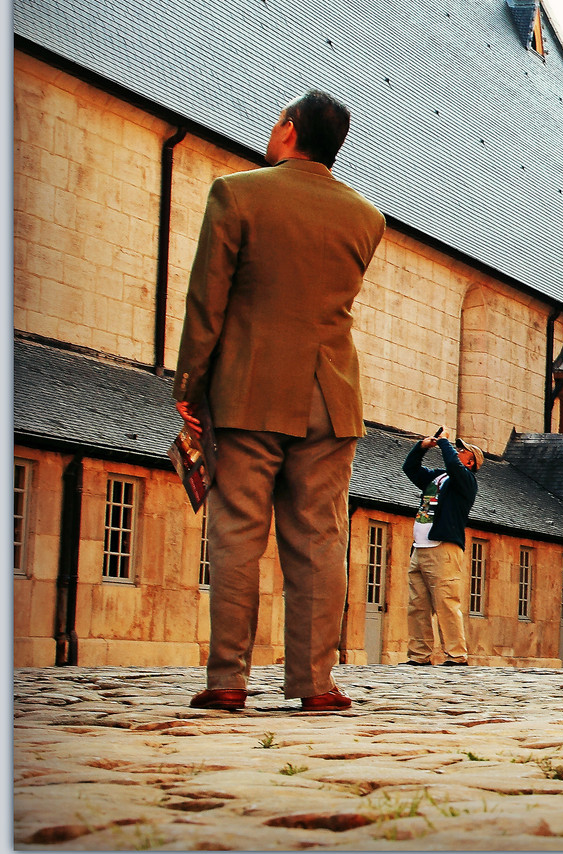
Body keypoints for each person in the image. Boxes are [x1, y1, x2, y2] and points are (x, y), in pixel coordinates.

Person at [175, 90, 384, 713]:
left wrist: (190, 386)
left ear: (288, 132)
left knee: (238, 532)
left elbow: (206, 302)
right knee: (321, 538)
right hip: (330, 395)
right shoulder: (365, 218)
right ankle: (315, 684)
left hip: (249, 389)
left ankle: (228, 680)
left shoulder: (237, 194)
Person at [402, 431, 480, 666]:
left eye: (462, 451)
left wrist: (445, 442)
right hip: (420, 547)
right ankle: (419, 655)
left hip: (443, 549)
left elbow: (454, 467)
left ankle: (456, 655)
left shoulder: (465, 481)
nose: (457, 451)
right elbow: (411, 468)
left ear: (470, 462)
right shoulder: (437, 477)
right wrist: (422, 447)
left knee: (446, 603)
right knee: (417, 606)